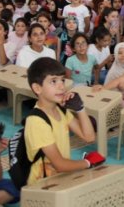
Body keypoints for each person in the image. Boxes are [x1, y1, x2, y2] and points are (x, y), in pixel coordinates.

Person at [25, 57, 101, 185]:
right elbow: (60, 165)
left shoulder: (61, 110)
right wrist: (88, 163)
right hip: (43, 186)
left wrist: (80, 108)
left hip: (60, 178)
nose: (61, 86)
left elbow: (89, 137)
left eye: (62, 80)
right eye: (53, 81)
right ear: (37, 88)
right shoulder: (36, 121)